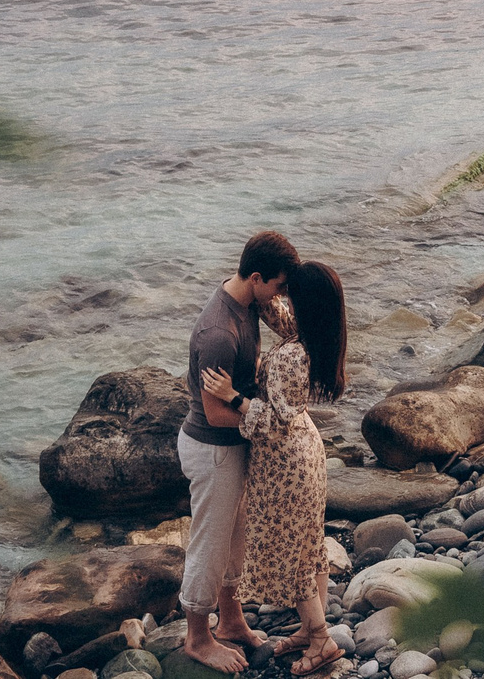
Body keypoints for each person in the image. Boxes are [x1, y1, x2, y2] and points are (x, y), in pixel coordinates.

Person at [201, 260, 346, 678]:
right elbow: (272, 309)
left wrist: (232, 397)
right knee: (310, 544)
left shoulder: (289, 356)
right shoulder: (313, 336)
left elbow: (272, 424)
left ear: (303, 303)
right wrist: (256, 277)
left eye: (290, 295)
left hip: (285, 462)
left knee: (293, 552)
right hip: (308, 453)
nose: (283, 300)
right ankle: (308, 628)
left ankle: (321, 640)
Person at [179, 230, 299, 675]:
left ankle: (230, 620)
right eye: (279, 286)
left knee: (236, 539)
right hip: (212, 449)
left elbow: (292, 323)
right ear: (255, 276)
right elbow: (214, 414)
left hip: (233, 448)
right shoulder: (219, 332)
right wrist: (268, 419)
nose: (282, 296)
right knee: (211, 544)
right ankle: (197, 636)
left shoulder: (251, 302)